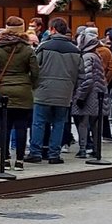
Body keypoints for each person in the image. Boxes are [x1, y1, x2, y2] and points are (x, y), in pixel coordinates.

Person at [0, 17, 40, 169]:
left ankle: (5, 159)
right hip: (23, 90)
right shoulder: (28, 48)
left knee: (5, 126)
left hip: (3, 90)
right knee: (21, 127)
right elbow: (35, 71)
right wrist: (31, 85)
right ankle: (20, 161)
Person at [28, 17, 81, 164]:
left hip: (43, 91)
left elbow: (35, 68)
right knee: (59, 123)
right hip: (65, 93)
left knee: (38, 122)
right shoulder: (76, 50)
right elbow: (81, 72)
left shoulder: (44, 47)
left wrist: (34, 85)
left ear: (52, 29)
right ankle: (54, 154)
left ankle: (35, 153)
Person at [74, 27, 108, 158]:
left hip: (89, 95)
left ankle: (82, 149)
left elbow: (87, 79)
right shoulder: (96, 55)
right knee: (95, 124)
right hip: (98, 94)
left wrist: (80, 97)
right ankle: (96, 148)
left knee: (83, 122)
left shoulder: (86, 57)